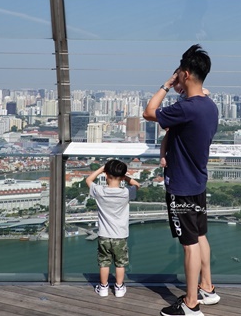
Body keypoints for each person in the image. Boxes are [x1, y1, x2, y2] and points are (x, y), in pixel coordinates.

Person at [143, 44, 220, 316]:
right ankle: (207, 288)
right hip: (197, 182)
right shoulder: (209, 107)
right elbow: (178, 133)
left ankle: (190, 304)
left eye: (178, 75)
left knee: (189, 245)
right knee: (199, 236)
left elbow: (149, 112)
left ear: (185, 74)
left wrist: (166, 84)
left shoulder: (186, 108)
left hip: (182, 186)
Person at [85, 159, 140, 298]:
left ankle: (103, 287)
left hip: (103, 234)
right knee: (120, 264)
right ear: (122, 177)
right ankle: (119, 287)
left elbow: (88, 180)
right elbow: (136, 184)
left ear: (106, 175)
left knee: (104, 263)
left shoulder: (99, 191)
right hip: (120, 235)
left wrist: (101, 169)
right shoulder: (126, 192)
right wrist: (125, 177)